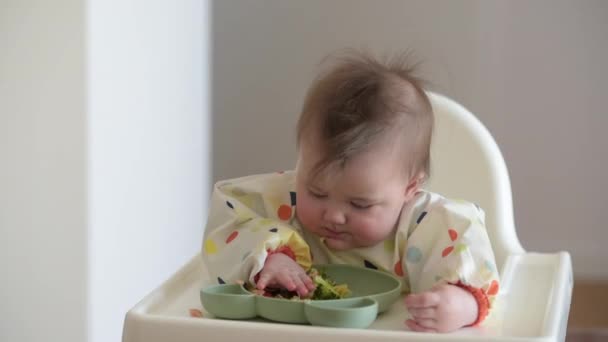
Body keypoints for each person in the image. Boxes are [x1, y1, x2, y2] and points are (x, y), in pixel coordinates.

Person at [201, 50, 499, 333]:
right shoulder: (281, 198)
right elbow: (228, 216)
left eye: (360, 204)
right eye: (316, 192)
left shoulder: (429, 226)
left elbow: (471, 259)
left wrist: (463, 303)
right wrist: (268, 257)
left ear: (410, 188)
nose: (333, 215)